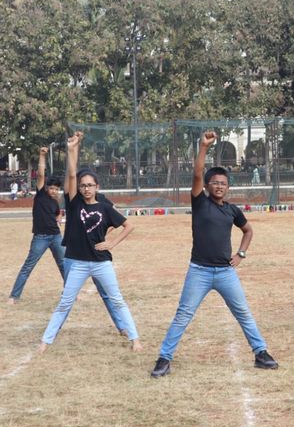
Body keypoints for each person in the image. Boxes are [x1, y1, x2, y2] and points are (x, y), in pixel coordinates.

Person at [151, 131, 278, 377]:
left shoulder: (232, 210)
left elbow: (248, 231)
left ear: (228, 187)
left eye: (223, 183)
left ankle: (261, 353)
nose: (219, 186)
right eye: (215, 183)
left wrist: (241, 254)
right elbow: (197, 173)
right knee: (183, 315)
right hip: (199, 271)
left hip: (225, 273)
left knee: (243, 313)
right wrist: (203, 147)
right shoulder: (200, 203)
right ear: (207, 186)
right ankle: (164, 359)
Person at [39, 132, 141, 353]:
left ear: (97, 187)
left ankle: (135, 339)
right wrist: (72, 149)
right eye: (83, 185)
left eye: (90, 185)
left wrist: (111, 244)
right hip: (76, 262)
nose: (86, 188)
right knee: (65, 302)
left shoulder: (104, 207)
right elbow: (72, 177)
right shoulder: (75, 204)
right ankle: (45, 342)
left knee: (117, 300)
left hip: (101, 262)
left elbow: (129, 226)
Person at [8, 147, 66, 303]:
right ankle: (14, 296)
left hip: (56, 237)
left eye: (56, 189)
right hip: (40, 238)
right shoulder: (40, 195)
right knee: (28, 267)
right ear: (46, 188)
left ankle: (70, 294)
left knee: (64, 265)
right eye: (51, 188)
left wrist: (59, 215)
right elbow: (41, 174)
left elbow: (57, 212)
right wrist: (42, 155)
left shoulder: (56, 201)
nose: (53, 191)